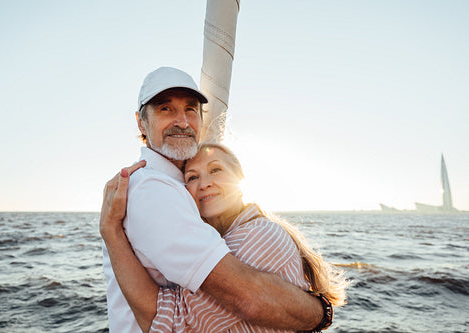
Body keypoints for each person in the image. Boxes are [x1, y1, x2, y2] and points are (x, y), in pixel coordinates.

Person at [102, 67, 326, 333]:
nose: (182, 122)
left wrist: (110, 232)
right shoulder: (153, 189)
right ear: (141, 122)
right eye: (165, 109)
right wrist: (321, 313)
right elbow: (247, 297)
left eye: (190, 109)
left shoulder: (175, 186)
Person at [101, 142, 348, 332]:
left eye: (215, 169)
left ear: (239, 179)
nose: (205, 183)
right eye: (193, 177)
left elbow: (170, 322)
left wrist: (112, 232)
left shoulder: (259, 236)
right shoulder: (227, 237)